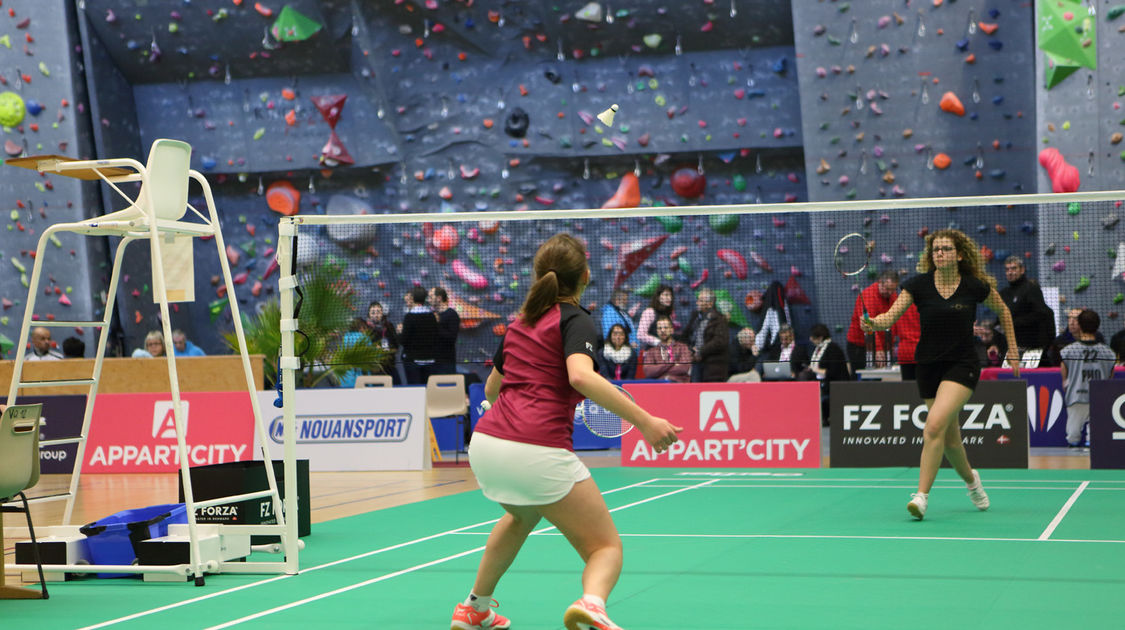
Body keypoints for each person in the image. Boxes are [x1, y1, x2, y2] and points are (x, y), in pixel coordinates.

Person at [453, 233, 681, 630]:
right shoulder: (576, 320)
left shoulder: (520, 323)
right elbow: (581, 376)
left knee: (521, 518)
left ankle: (474, 607)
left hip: (487, 444)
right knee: (605, 546)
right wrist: (646, 421)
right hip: (535, 448)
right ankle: (592, 603)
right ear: (585, 277)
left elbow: (492, 389)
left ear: (540, 275)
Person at [863, 229, 1019, 520]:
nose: (940, 254)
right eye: (935, 250)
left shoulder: (974, 286)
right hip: (928, 366)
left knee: (933, 426)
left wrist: (1012, 350)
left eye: (946, 249)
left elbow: (1005, 313)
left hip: (962, 365)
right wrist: (872, 324)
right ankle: (972, 481)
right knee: (949, 439)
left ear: (959, 255)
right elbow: (889, 318)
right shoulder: (917, 286)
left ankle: (921, 497)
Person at [1059, 309, 1116, 448]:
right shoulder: (1108, 352)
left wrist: (1067, 385)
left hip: (1076, 397)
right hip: (1099, 399)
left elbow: (1064, 374)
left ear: (1079, 325)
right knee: (1095, 441)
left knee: (1072, 438)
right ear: (1097, 326)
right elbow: (1110, 375)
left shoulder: (1068, 351)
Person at [845, 270, 900, 372]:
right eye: (887, 289)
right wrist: (878, 349)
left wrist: (890, 345)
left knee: (877, 377)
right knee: (861, 378)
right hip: (860, 346)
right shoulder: (868, 296)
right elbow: (868, 325)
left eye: (893, 290)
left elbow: (893, 320)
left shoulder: (893, 296)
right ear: (880, 282)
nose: (890, 293)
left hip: (880, 344)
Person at [998, 256, 1053, 351]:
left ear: (1022, 270)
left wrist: (1014, 323)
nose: (1010, 272)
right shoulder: (1004, 293)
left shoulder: (1031, 289)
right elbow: (1000, 319)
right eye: (1007, 269)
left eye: (1014, 268)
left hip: (1032, 346)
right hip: (1011, 347)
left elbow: (1041, 313)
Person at [679, 288, 730, 382]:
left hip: (713, 366)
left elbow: (720, 342)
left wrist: (700, 351)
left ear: (710, 303)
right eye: (698, 300)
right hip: (696, 363)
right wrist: (690, 350)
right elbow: (686, 335)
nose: (697, 302)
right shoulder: (695, 318)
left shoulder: (719, 320)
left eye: (701, 300)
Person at [805, 324, 850, 425]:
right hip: (824, 382)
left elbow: (833, 372)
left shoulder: (833, 349)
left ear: (820, 338)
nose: (810, 339)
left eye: (813, 337)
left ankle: (825, 417)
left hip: (835, 384)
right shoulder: (818, 350)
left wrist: (816, 370)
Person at [400, 287, 439, 385]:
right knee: (428, 389)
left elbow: (404, 340)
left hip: (413, 361)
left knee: (415, 390)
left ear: (412, 298)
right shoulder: (431, 316)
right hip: (430, 360)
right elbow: (435, 336)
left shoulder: (409, 317)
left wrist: (399, 333)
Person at [357, 300, 400, 384]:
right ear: (369, 314)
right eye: (373, 313)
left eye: (378, 312)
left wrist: (389, 350)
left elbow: (396, 344)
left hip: (389, 365)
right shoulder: (365, 329)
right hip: (374, 367)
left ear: (382, 313)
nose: (376, 315)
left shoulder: (389, 326)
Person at [641, 316, 693, 383]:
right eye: (660, 328)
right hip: (659, 386)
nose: (662, 330)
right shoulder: (651, 351)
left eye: (665, 328)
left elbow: (684, 368)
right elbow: (648, 371)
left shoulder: (683, 348)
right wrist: (671, 364)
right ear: (657, 331)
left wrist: (659, 370)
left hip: (679, 384)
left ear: (672, 330)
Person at [430, 286, 461, 376]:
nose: (429, 300)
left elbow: (451, 338)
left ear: (439, 298)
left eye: (431, 297)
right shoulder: (432, 315)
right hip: (432, 360)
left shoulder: (452, 314)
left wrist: (437, 324)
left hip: (446, 361)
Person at [635, 285, 675, 349]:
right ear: (658, 297)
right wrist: (659, 342)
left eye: (671, 295)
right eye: (666, 295)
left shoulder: (669, 315)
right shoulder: (649, 312)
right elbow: (640, 335)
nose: (669, 298)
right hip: (651, 352)